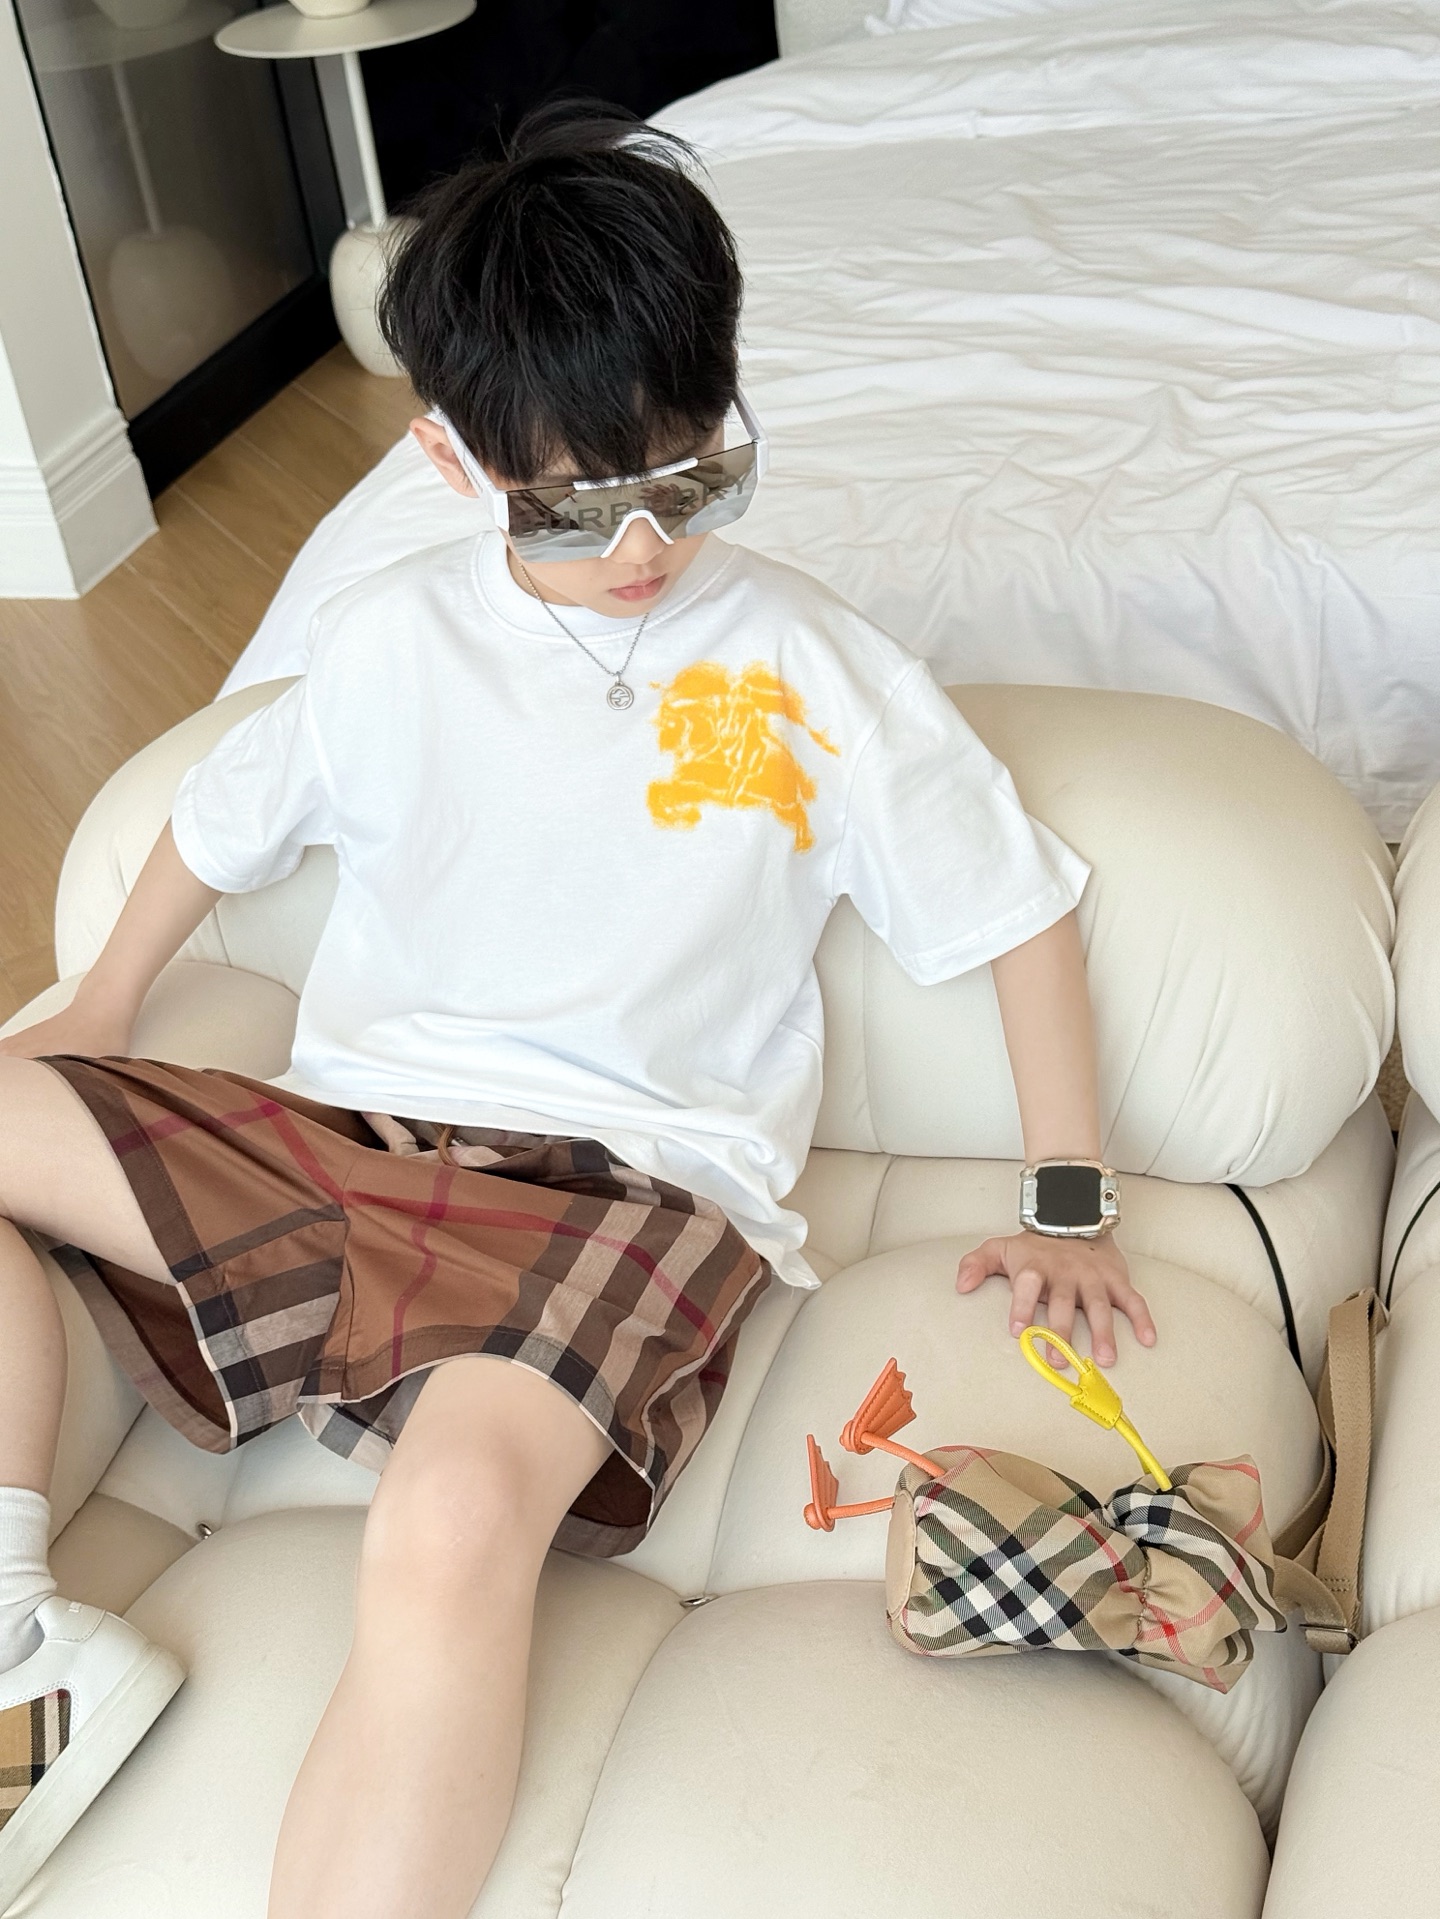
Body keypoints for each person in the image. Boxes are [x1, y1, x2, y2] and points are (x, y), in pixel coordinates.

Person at [0, 104, 1155, 1919]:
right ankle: (18, 1644)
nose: (640, 548)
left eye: (690, 482)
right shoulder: (384, 640)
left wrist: (1068, 1199)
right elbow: (213, 828)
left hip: (630, 1188)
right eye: (574, 504)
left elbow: (1020, 911)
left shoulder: (811, 668)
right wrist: (100, 1005)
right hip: (349, 1143)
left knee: (452, 1521)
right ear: (446, 455)